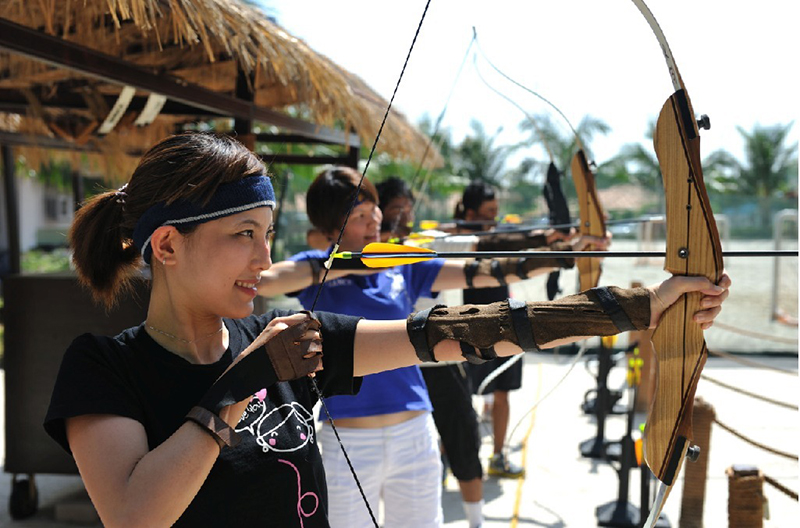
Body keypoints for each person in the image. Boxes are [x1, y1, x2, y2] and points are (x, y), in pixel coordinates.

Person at [43, 133, 730, 528]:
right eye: (243, 234)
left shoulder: (292, 336)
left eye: (269, 235)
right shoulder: (103, 366)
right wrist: (237, 385)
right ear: (167, 245)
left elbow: (463, 331)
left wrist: (640, 305)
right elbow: (135, 515)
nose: (263, 259)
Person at [455, 180, 578, 478]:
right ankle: (453, 454)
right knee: (461, 398)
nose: (495, 218)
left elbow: (510, 242)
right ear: (470, 215)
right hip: (470, 324)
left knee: (502, 393)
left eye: (496, 211)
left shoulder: (497, 235)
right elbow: (494, 244)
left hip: (503, 321)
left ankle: (498, 456)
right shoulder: (462, 241)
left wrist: (558, 239)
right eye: (488, 212)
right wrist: (543, 237)